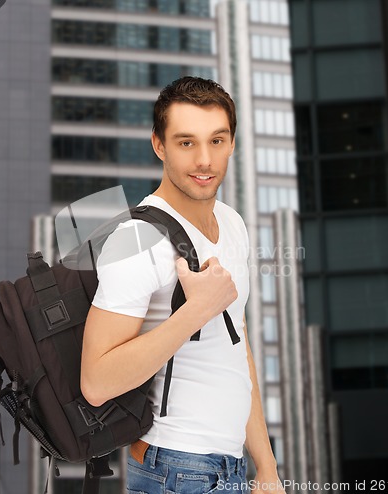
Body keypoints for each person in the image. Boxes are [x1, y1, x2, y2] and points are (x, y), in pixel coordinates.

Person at [80, 77, 285, 494]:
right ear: (159, 146)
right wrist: (195, 310)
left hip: (231, 467)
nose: (205, 160)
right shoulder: (136, 240)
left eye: (217, 140)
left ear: (232, 144)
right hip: (172, 468)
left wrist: (266, 468)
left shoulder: (232, 223)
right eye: (186, 142)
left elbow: (235, 347)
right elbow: (96, 382)